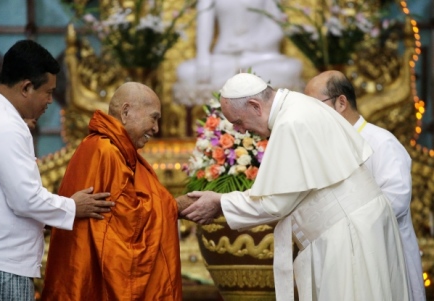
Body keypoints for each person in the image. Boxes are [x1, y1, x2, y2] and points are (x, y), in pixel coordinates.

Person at [182, 73, 410, 301]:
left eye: (239, 122)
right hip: (354, 228)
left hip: (348, 237)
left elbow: (275, 203)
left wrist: (220, 202)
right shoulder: (299, 107)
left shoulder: (291, 121)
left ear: (255, 106)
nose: (240, 131)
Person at [0, 40, 114, 300]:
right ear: (26, 87)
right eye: (48, 92)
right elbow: (25, 199)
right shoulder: (7, 125)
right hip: (2, 264)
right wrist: (74, 206)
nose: (50, 101)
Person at [41, 82, 195, 300]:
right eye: (154, 118)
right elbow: (123, 222)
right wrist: (173, 206)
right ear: (125, 112)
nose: (156, 129)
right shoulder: (106, 152)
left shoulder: (110, 149)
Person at [304, 70, 426, 301]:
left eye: (315, 106)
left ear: (341, 103)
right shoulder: (322, 148)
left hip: (384, 256)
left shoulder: (382, 142)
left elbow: (396, 201)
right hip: (339, 262)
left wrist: (341, 220)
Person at [173, 0, 303, 105]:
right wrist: (203, 59)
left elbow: (277, 28)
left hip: (258, 56)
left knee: (289, 68)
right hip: (225, 56)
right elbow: (204, 26)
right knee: (186, 71)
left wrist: (250, 44)